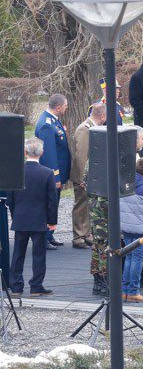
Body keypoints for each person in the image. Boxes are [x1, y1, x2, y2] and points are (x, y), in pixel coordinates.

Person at [8, 138, 58, 297]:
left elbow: (10, 199)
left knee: (18, 254)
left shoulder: (16, 171)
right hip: (39, 219)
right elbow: (52, 200)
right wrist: (52, 221)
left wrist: (15, 215)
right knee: (39, 255)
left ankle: (16, 286)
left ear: (25, 152)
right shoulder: (47, 173)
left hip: (21, 218)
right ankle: (36, 286)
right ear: (41, 153)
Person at [119, 158, 143, 303]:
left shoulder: (124, 185)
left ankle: (124, 291)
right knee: (137, 259)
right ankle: (133, 291)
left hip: (126, 227)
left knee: (129, 258)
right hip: (141, 229)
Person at [35, 93, 71, 249]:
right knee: (48, 206)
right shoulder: (46, 124)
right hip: (51, 175)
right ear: (58, 107)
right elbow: (49, 154)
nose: (66, 108)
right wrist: (55, 177)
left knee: (53, 205)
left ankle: (49, 235)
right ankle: (43, 238)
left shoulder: (53, 121)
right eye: (65, 106)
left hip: (56, 174)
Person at [70, 102, 106, 249]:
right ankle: (79, 236)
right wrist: (82, 179)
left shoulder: (92, 128)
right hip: (83, 177)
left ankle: (86, 234)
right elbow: (82, 156)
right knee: (81, 205)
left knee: (88, 206)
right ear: (102, 116)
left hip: (91, 176)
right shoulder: (85, 129)